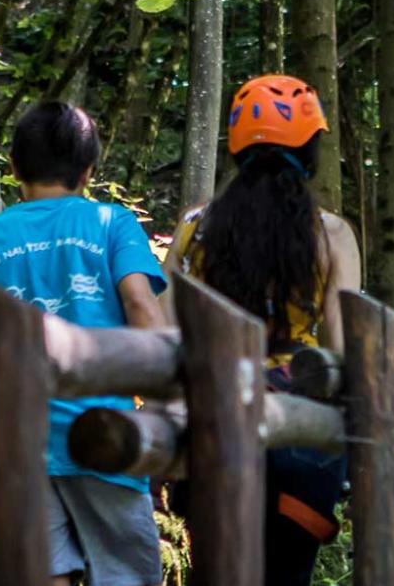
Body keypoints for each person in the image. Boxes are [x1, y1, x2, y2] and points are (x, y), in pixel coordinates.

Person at [0, 102, 167, 586]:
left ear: (14, 167)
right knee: (125, 576)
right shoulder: (111, 223)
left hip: (18, 441)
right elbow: (141, 304)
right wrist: (163, 409)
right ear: (89, 170)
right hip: (104, 434)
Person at [164, 75, 361, 586]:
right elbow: (344, 349)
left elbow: (166, 335)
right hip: (303, 436)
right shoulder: (331, 235)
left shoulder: (195, 228)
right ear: (312, 147)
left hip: (214, 426)